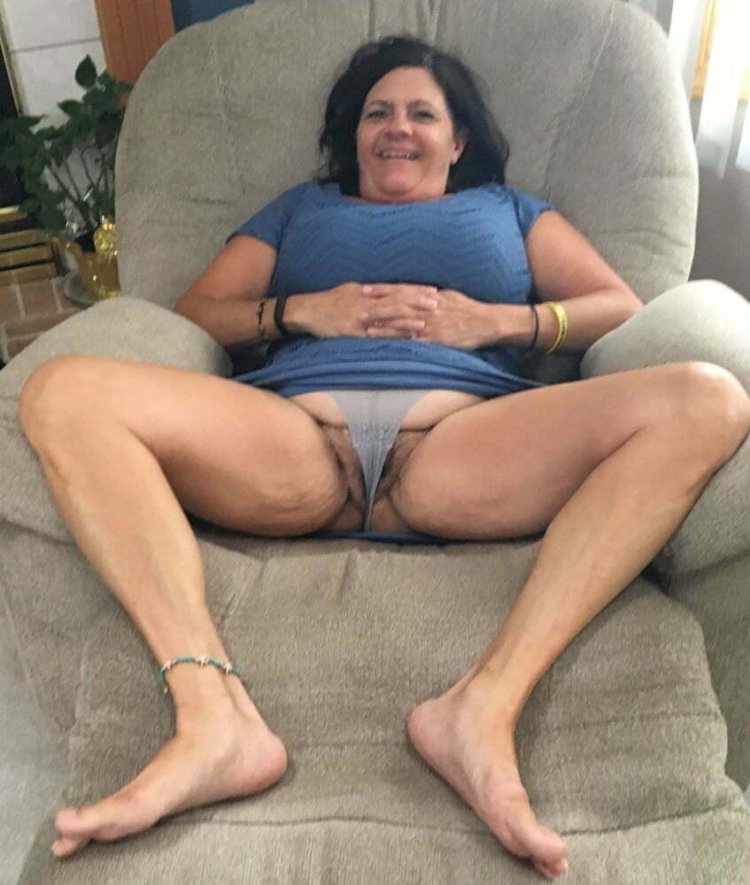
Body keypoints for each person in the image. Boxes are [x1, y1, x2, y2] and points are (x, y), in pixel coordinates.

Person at [17, 34, 750, 882]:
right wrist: (298, 310)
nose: (398, 128)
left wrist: (502, 323)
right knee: (59, 391)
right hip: (291, 445)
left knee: (709, 399)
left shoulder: (511, 210)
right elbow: (196, 312)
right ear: (354, 134)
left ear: (458, 140)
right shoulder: (300, 209)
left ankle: (481, 709)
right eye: (378, 113)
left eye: (422, 114)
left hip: (465, 448)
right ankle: (212, 717)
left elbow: (618, 305)